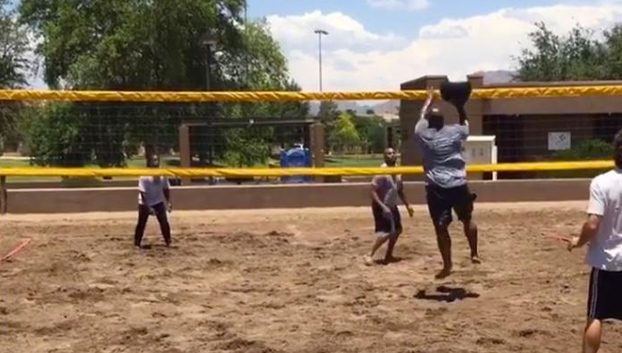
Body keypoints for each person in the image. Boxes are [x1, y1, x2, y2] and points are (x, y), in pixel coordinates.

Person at [565, 128, 622, 353]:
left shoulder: (602, 182)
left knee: (596, 316)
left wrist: (579, 241)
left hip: (607, 261)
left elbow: (592, 224)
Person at [415, 86, 480, 279]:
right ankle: (474, 253)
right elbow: (466, 123)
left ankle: (448, 265)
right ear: (444, 121)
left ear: (428, 122)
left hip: (437, 188)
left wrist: (429, 99)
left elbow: (421, 115)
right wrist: (460, 106)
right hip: (458, 183)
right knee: (467, 219)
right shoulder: (454, 132)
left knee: (440, 227)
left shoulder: (423, 135)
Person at [364, 147, 414, 265]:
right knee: (387, 232)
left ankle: (388, 255)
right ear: (384, 156)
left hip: (391, 205)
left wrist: (408, 205)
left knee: (397, 230)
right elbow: (372, 191)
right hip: (381, 206)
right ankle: (369, 254)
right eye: (388, 153)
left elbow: (400, 189)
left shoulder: (398, 170)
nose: (392, 155)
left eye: (393, 153)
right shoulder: (382, 171)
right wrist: (383, 207)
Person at [134, 154, 172, 248]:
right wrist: (148, 208)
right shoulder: (144, 176)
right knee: (141, 223)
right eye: (154, 160)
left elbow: (165, 189)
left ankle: (168, 241)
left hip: (158, 202)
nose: (156, 162)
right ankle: (137, 242)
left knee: (164, 222)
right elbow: (143, 194)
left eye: (157, 160)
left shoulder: (162, 174)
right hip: (144, 203)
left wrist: (168, 202)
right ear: (150, 162)